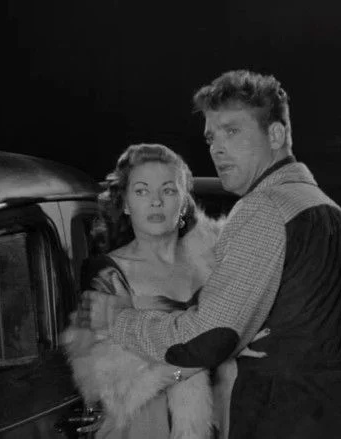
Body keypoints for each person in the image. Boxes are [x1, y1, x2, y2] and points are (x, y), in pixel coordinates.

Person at [81, 70, 341, 438]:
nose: (216, 148)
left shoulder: (264, 208)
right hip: (340, 417)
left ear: (275, 135)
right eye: (211, 137)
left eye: (232, 131)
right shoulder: (326, 207)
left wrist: (120, 322)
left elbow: (209, 337)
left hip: (285, 421)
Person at [63, 143, 233, 439]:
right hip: (151, 426)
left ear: (184, 201)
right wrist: (188, 367)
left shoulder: (216, 259)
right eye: (142, 191)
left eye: (168, 190)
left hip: (233, 417)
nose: (156, 202)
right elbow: (112, 381)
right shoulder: (108, 273)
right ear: (126, 204)